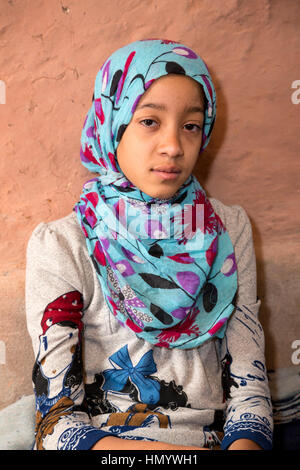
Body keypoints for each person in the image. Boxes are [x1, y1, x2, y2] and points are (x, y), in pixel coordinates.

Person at [25, 39, 273, 450]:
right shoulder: (64, 243)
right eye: (149, 121)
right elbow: (57, 422)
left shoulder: (227, 229)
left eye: (191, 126)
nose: (174, 146)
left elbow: (250, 388)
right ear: (112, 123)